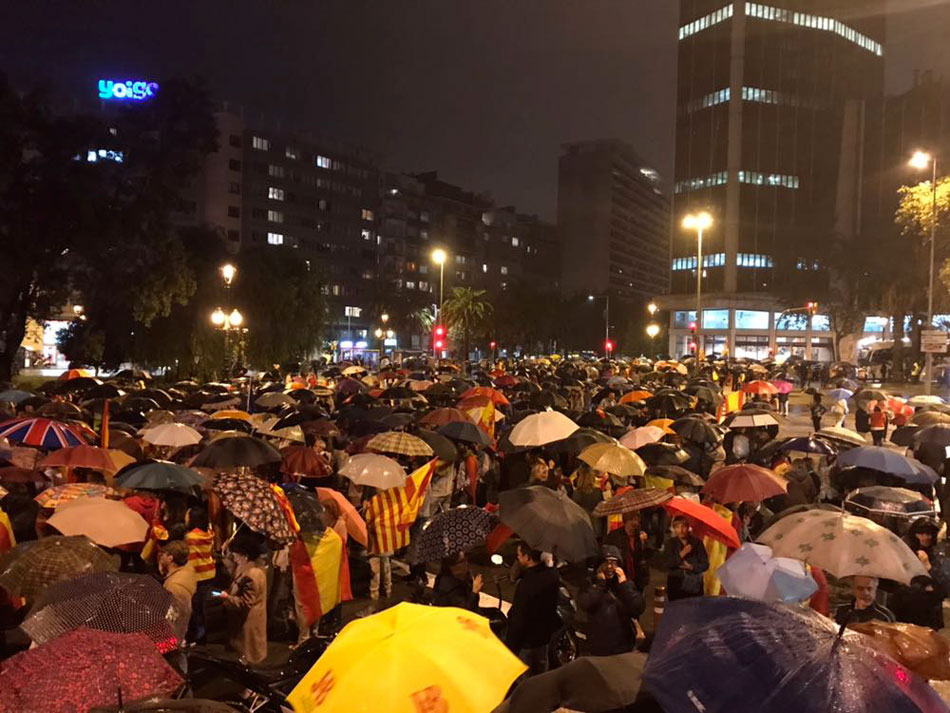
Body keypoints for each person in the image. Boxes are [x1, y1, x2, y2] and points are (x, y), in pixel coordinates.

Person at [577, 546, 645, 656]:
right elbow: (585, 603)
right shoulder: (591, 584)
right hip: (599, 645)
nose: (609, 567)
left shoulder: (625, 585)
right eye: (606, 562)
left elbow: (638, 607)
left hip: (623, 645)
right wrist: (600, 584)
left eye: (614, 562)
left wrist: (624, 585)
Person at [505, 542, 561, 676]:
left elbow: (519, 620)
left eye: (519, 555)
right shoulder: (552, 574)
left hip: (527, 644)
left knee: (526, 684)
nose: (518, 558)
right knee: (541, 677)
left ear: (527, 557)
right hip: (543, 639)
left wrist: (509, 648)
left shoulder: (526, 585)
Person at [216, 536, 268, 664]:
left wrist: (227, 597)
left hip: (248, 622)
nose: (234, 557)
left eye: (236, 554)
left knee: (247, 656)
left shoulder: (252, 575)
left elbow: (245, 602)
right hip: (249, 620)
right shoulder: (250, 568)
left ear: (245, 556)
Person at [890, 519, 945, 630]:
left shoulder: (937, 553)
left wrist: (928, 567)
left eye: (929, 534)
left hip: (929, 612)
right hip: (906, 609)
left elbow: (942, 587)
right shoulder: (905, 552)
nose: (925, 537)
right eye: (921, 533)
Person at [184, 508, 216, 645]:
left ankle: (198, 636)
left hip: (197, 576)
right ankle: (202, 636)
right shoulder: (208, 535)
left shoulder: (190, 537)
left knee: (195, 608)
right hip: (208, 573)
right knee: (201, 607)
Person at [659, 516, 709, 601]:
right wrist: (682, 553)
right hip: (676, 584)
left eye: (683, 526)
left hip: (694, 585)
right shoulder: (670, 543)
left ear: (688, 527)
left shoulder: (697, 543)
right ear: (674, 529)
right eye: (677, 527)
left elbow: (705, 564)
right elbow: (666, 564)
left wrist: (691, 567)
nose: (681, 530)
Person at [604, 510, 652, 591]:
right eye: (632, 520)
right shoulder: (614, 536)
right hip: (620, 577)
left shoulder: (640, 536)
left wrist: (644, 544)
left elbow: (647, 556)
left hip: (638, 577)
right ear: (625, 521)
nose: (635, 523)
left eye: (637, 520)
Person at [158, 540, 197, 625]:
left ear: (170, 558)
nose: (160, 558)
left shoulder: (173, 586)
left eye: (163, 555)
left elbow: (174, 616)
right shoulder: (189, 568)